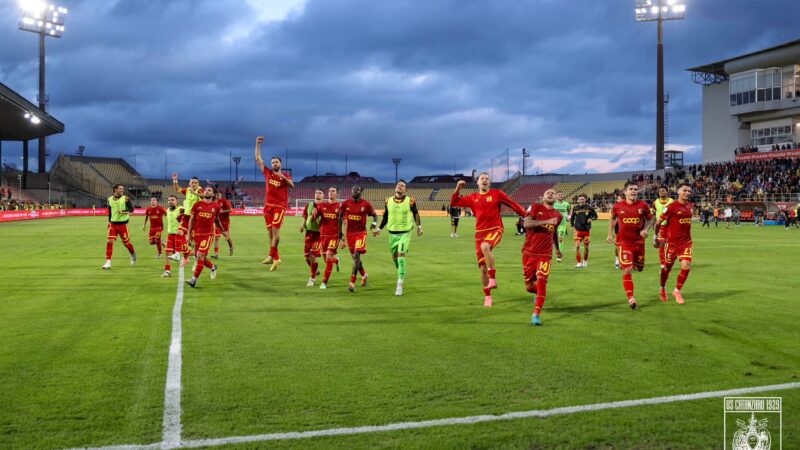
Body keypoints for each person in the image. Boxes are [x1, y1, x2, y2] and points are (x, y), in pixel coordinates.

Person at [450, 173, 526, 307]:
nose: (484, 180)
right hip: (479, 234)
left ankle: (493, 278)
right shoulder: (472, 198)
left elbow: (513, 204)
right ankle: (488, 296)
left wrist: (526, 215)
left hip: (495, 229)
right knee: (482, 269)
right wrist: (458, 188)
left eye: (487, 178)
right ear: (477, 183)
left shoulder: (497, 193)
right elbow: (454, 203)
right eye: (482, 178)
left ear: (490, 183)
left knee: (485, 247)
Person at [607, 182, 654, 310]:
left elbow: (651, 219)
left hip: (639, 243)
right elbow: (612, 218)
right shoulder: (618, 206)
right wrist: (610, 234)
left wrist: (646, 229)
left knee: (639, 268)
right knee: (627, 269)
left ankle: (636, 264)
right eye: (631, 189)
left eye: (635, 189)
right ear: (625, 192)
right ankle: (631, 298)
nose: (634, 191)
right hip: (624, 243)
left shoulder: (643, 205)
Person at [374, 180, 422, 296]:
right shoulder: (388, 200)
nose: (400, 187)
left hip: (405, 233)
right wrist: (379, 229)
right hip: (392, 234)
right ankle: (401, 272)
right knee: (395, 258)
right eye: (398, 185)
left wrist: (419, 226)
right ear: (395, 188)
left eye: (403, 186)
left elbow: (416, 213)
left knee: (401, 256)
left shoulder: (410, 201)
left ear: (405, 190)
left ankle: (399, 285)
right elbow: (386, 216)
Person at [523, 189, 563, 326]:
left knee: (541, 279)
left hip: (545, 254)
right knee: (529, 287)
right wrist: (546, 221)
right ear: (543, 197)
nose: (551, 194)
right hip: (529, 252)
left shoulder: (558, 215)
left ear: (556, 198)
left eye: (553, 193)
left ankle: (536, 314)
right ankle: (538, 293)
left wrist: (557, 249)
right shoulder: (535, 207)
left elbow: (554, 233)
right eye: (548, 193)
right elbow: (526, 224)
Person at [255, 135, 294, 271]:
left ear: (280, 164)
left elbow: (292, 186)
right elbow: (258, 159)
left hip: (279, 207)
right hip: (268, 207)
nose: (274, 164)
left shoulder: (285, 176)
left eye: (276, 162)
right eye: (272, 162)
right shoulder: (267, 174)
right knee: (270, 234)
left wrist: (282, 176)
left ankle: (272, 256)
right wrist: (258, 145)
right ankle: (274, 258)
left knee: (276, 234)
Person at [658, 182, 694, 304]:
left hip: (686, 243)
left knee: (686, 266)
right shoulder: (671, 207)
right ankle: (662, 287)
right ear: (678, 191)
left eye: (689, 191)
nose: (687, 193)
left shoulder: (690, 206)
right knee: (666, 269)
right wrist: (656, 236)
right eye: (685, 190)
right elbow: (659, 222)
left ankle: (677, 291)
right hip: (672, 244)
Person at [339, 185, 378, 292]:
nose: (355, 191)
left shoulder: (366, 204)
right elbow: (340, 216)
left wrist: (374, 224)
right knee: (356, 259)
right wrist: (340, 233)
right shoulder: (346, 203)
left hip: (361, 233)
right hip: (349, 234)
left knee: (357, 255)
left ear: (361, 192)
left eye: (357, 190)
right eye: (353, 189)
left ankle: (352, 283)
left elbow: (375, 215)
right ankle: (364, 275)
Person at [187, 187, 227, 288]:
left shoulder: (216, 207)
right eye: (206, 190)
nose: (206, 191)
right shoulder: (197, 205)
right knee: (200, 257)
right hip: (197, 235)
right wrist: (188, 235)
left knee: (200, 255)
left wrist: (223, 231)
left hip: (208, 235)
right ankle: (213, 267)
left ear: (213, 194)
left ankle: (193, 280)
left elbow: (217, 221)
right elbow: (191, 221)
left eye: (209, 190)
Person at [102, 184, 137, 269]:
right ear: (115, 190)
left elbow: (132, 209)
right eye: (120, 189)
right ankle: (108, 262)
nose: (122, 190)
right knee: (110, 241)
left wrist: (124, 211)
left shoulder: (125, 198)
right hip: (113, 224)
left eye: (122, 189)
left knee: (126, 243)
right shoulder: (110, 199)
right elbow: (110, 212)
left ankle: (133, 255)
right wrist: (109, 222)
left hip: (122, 225)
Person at [313, 187, 342, 289]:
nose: (331, 192)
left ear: (336, 194)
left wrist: (343, 238)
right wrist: (314, 214)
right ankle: (336, 261)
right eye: (329, 191)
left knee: (329, 256)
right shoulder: (322, 206)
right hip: (323, 236)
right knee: (327, 259)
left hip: (334, 236)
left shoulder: (339, 207)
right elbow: (314, 219)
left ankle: (324, 282)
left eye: (333, 191)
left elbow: (344, 222)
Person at [300, 189, 324, 287]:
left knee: (313, 256)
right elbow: (305, 216)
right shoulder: (309, 205)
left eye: (320, 193)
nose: (317, 194)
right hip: (308, 233)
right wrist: (302, 225)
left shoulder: (325, 207)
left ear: (323, 195)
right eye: (316, 192)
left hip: (319, 234)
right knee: (306, 257)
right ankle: (316, 270)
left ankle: (312, 278)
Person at [162, 195, 189, 277]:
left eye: (172, 200)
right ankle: (167, 271)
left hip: (180, 235)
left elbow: (187, 220)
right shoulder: (167, 210)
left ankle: (197, 255)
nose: (170, 201)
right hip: (170, 235)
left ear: (176, 201)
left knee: (186, 251)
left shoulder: (181, 209)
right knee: (167, 252)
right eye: (169, 200)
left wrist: (187, 234)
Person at [570, 194, 597, 268]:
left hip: (586, 230)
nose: (581, 200)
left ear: (585, 200)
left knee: (586, 247)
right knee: (577, 246)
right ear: (578, 200)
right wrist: (572, 225)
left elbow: (595, 216)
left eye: (583, 199)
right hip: (577, 230)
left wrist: (591, 218)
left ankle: (585, 261)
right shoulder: (575, 208)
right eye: (580, 199)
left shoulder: (589, 207)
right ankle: (579, 262)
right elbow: (572, 217)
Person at [651, 186, 674, 270]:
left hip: (671, 226)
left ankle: (668, 261)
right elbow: (653, 215)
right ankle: (662, 264)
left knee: (670, 245)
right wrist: (654, 225)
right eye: (660, 191)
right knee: (661, 245)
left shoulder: (672, 202)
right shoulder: (655, 202)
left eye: (663, 190)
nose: (661, 192)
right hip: (661, 227)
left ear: (667, 191)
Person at [212, 191, 234, 258]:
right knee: (216, 238)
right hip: (218, 222)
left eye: (218, 195)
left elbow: (231, 210)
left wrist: (223, 211)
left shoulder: (224, 201)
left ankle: (231, 247)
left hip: (225, 222)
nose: (217, 196)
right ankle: (216, 254)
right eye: (216, 195)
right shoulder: (215, 202)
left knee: (226, 237)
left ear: (221, 195)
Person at [553, 191, 571, 258]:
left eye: (561, 194)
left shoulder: (566, 204)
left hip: (562, 224)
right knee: (550, 238)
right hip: (554, 223)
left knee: (560, 239)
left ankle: (559, 254)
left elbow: (569, 210)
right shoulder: (553, 203)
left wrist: (569, 217)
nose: (560, 195)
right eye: (559, 194)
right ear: (556, 196)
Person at [612, 192, 625, 269]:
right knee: (617, 245)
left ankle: (626, 261)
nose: (617, 200)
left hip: (628, 230)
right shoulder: (616, 207)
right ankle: (617, 261)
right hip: (619, 230)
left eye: (618, 199)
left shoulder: (629, 206)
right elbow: (614, 218)